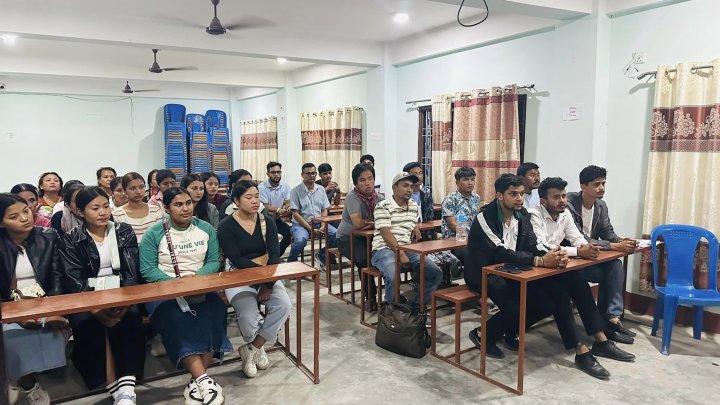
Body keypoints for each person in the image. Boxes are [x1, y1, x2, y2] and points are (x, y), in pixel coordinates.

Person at [466, 174, 634, 379]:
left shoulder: (521, 215)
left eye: (521, 194)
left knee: (566, 287)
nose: (519, 198)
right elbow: (499, 251)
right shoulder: (485, 216)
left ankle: (596, 344)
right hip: (485, 273)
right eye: (513, 194)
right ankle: (483, 334)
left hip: (514, 269)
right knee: (516, 307)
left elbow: (533, 243)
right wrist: (539, 261)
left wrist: (552, 256)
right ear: (499, 195)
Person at [140, 187, 230, 405]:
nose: (185, 208)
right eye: (178, 205)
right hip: (165, 290)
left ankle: (196, 381)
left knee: (216, 311)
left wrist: (195, 280)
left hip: (200, 286)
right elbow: (147, 269)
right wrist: (177, 284)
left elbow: (214, 261)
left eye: (188, 203)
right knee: (177, 319)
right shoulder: (154, 233)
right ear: (167, 208)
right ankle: (204, 380)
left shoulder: (205, 228)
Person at [58, 187, 146, 404]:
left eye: (106, 206)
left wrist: (124, 303)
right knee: (90, 324)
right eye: (95, 208)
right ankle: (114, 386)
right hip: (88, 296)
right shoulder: (72, 238)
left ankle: (127, 386)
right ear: (80, 212)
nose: (102, 212)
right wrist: (97, 310)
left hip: (121, 292)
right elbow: (74, 279)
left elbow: (131, 271)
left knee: (130, 319)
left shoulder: (122, 230)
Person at [217, 180, 291, 378]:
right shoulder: (226, 226)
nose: (254, 201)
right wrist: (262, 279)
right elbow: (237, 259)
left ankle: (252, 348)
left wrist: (267, 284)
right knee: (248, 316)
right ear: (236, 201)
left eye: (257, 196)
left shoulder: (267, 221)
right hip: (238, 275)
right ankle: (258, 346)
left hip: (267, 274)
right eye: (248, 197)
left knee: (284, 305)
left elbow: (274, 255)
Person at [0, 194, 68, 405]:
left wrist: (54, 311)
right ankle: (29, 384)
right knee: (10, 338)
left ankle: (13, 378)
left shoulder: (48, 236)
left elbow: (57, 278)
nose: (24, 218)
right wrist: (17, 315)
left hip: (45, 302)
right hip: (8, 307)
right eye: (14, 216)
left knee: (56, 329)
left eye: (25, 211)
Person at [566, 166, 638, 342]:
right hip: (572, 259)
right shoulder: (569, 204)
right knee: (609, 272)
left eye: (603, 183)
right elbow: (579, 237)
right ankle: (606, 323)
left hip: (590, 256)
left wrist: (623, 241)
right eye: (596, 184)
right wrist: (614, 245)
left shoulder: (600, 205)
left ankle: (612, 317)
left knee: (614, 266)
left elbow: (607, 232)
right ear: (583, 186)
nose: (601, 188)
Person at [370, 172, 442, 309]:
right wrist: (401, 253)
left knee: (435, 272)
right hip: (384, 249)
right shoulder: (383, 206)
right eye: (405, 186)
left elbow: (408, 223)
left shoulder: (413, 205)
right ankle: (394, 310)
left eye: (411, 186)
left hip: (407, 248)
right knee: (392, 275)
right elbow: (385, 233)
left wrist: (414, 227)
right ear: (394, 187)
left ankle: (417, 307)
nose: (409, 189)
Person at [336, 163, 383, 311]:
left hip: (369, 237)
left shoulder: (380, 198)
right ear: (356, 183)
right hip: (347, 238)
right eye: (362, 180)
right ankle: (370, 297)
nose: (367, 183)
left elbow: (386, 219)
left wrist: (370, 224)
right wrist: (376, 223)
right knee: (364, 260)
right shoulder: (352, 197)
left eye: (370, 178)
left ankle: (393, 296)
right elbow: (357, 223)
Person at [288, 163, 337, 269]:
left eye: (313, 173)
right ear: (302, 175)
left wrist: (323, 225)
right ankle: (291, 263)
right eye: (308, 173)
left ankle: (322, 254)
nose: (311, 176)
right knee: (300, 240)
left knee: (338, 236)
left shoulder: (321, 189)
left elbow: (324, 209)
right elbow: (295, 214)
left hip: (319, 223)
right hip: (301, 224)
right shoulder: (295, 191)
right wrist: (310, 229)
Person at [441, 167, 482, 265]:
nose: (470, 183)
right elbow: (452, 224)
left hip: (471, 239)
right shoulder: (450, 199)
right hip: (454, 241)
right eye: (466, 179)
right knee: (474, 255)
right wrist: (468, 239)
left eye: (472, 179)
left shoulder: (476, 198)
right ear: (457, 182)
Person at [112, 172, 164, 243]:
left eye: (141, 187)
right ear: (125, 191)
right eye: (132, 188)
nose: (138, 192)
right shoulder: (117, 214)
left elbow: (160, 236)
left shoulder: (155, 210)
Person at [258, 162, 292, 257]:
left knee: (289, 234)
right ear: (267, 174)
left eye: (278, 172)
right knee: (269, 239)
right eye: (273, 172)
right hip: (264, 220)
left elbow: (287, 201)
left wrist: (288, 207)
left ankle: (276, 257)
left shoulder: (285, 185)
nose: (276, 175)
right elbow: (265, 205)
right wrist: (278, 210)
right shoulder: (261, 187)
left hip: (276, 219)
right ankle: (266, 258)